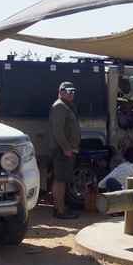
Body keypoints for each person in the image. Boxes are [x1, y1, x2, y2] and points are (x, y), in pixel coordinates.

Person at [49, 81, 81, 219]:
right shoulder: (60, 107)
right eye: (68, 91)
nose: (71, 94)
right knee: (60, 180)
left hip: (64, 149)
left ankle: (59, 208)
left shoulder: (67, 106)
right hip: (62, 150)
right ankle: (61, 211)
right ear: (60, 91)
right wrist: (66, 148)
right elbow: (57, 129)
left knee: (60, 180)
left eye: (73, 92)